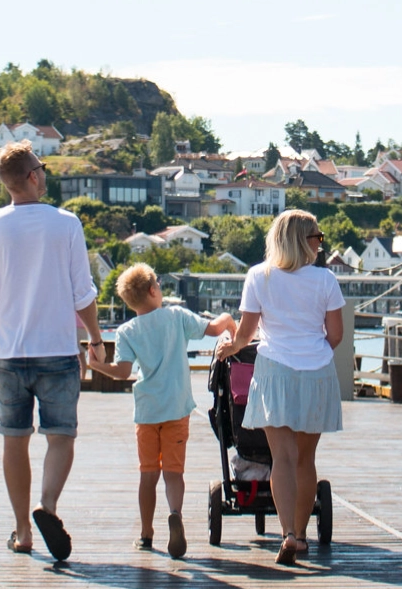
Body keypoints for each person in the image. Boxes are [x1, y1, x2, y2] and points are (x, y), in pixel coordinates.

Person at [0, 141, 103, 563]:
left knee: (14, 440)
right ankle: (48, 506)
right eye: (41, 168)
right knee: (60, 435)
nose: (45, 174)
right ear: (31, 176)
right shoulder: (66, 224)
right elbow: (83, 293)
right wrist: (95, 339)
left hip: (8, 353)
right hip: (58, 350)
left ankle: (24, 531)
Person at [215, 209, 344, 565]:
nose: (320, 244)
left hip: (274, 371)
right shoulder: (325, 280)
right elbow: (336, 336)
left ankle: (286, 533)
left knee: (282, 459)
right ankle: (302, 537)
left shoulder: (259, 276)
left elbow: (246, 334)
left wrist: (231, 348)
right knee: (306, 459)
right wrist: (312, 351)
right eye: (317, 238)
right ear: (303, 241)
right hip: (316, 371)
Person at [88, 264, 234, 557]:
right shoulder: (176, 316)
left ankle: (145, 534)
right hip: (177, 409)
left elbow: (123, 370)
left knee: (148, 474)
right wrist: (229, 320)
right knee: (173, 473)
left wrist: (95, 365)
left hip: (146, 412)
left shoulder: (127, 330)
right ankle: (175, 514)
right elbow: (214, 329)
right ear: (154, 290)